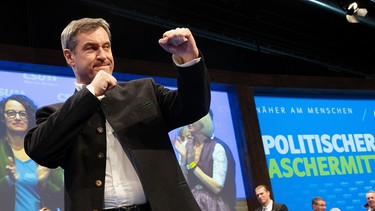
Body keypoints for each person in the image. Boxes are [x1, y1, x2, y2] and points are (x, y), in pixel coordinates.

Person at [24, 17, 211, 211]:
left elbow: (194, 106)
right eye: (91, 48)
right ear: (70, 57)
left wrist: (188, 59)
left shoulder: (144, 91)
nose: (103, 55)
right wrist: (90, 94)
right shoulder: (55, 114)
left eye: (106, 46)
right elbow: (41, 152)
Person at [0, 95, 64, 211]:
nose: (18, 118)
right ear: (2, 117)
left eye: (23, 114)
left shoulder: (45, 151)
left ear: (29, 117)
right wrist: (9, 181)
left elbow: (62, 198)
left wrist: (44, 183)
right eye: (11, 113)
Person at [174, 112, 236, 211]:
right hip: (192, 203)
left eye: (194, 119)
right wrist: (183, 160)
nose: (189, 122)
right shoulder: (186, 146)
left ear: (204, 122)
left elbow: (217, 187)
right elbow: (184, 183)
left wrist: (193, 166)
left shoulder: (217, 147)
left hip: (213, 205)